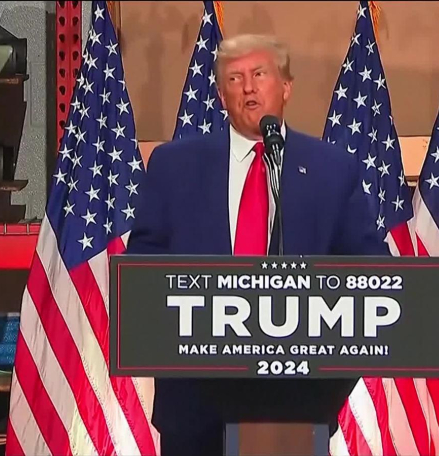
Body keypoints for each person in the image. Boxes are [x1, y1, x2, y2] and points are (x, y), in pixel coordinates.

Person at [126, 33, 390, 456]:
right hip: (194, 410)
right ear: (221, 95)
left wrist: (325, 385)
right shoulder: (175, 166)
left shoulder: (332, 170)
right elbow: (142, 275)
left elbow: (372, 278)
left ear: (286, 87)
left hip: (298, 410)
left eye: (260, 74)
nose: (248, 87)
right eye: (234, 78)